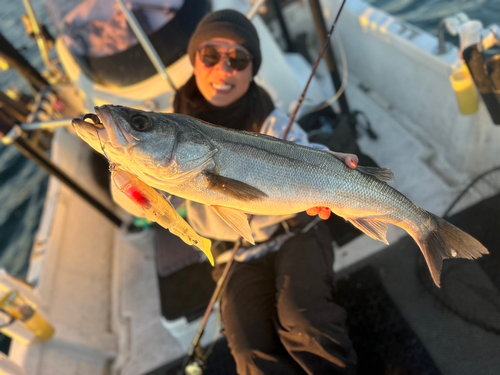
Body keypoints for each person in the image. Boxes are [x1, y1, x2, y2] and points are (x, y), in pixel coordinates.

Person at [172, 9, 357, 375]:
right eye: (211, 56)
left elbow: (298, 146)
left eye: (239, 60)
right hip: (233, 254)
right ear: (194, 58)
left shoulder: (271, 118)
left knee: (305, 321)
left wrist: (327, 164)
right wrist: (127, 177)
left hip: (293, 232)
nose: (224, 70)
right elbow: (143, 199)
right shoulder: (169, 126)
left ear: (252, 70)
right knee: (248, 350)